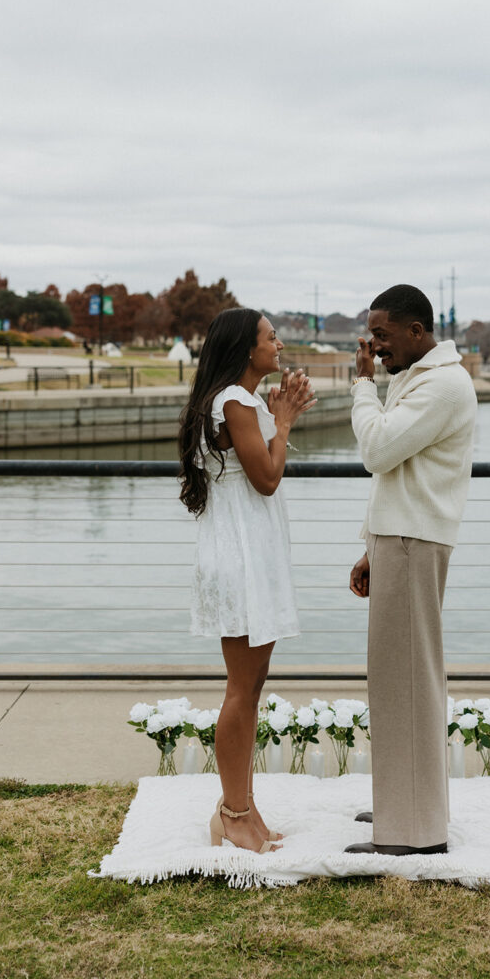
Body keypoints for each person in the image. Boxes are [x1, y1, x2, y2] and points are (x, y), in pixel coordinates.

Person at [178, 307, 316, 854]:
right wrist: (283, 423)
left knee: (251, 687)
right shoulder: (234, 401)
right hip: (238, 560)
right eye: (270, 336)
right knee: (241, 689)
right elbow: (266, 478)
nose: (278, 343)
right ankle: (232, 814)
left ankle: (243, 806)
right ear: (246, 349)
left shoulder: (244, 399)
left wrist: (277, 413)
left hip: (250, 554)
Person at [345, 284, 477, 856]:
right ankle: (406, 801)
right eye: (372, 336)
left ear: (417, 332)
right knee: (398, 681)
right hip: (399, 540)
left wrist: (360, 387)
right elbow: (395, 476)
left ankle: (413, 833)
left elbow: (376, 450)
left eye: (382, 334)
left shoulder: (443, 385)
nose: (375, 347)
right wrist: (370, 546)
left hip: (413, 542)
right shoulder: (421, 378)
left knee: (408, 682)